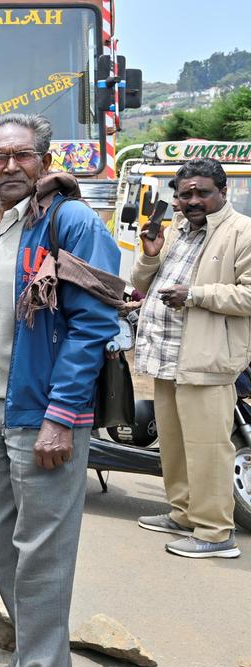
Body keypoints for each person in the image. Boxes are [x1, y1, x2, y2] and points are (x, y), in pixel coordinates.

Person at [0, 114, 120, 667]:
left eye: (22, 156)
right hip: (3, 405)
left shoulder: (71, 221)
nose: (10, 166)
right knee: (5, 544)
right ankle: (35, 661)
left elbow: (94, 324)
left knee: (43, 556)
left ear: (45, 163)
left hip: (48, 410)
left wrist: (61, 415)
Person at [133, 157, 251, 560]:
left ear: (223, 191)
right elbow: (141, 283)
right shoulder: (180, 230)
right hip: (167, 356)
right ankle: (184, 515)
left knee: (208, 447)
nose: (193, 200)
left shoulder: (243, 232)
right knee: (175, 445)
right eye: (185, 194)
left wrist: (197, 295)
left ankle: (217, 534)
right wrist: (150, 254)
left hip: (207, 358)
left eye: (202, 192)